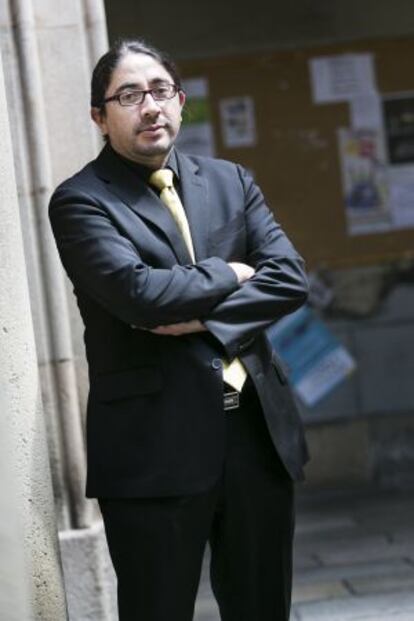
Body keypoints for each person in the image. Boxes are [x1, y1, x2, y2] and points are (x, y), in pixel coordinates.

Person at [49, 38, 309, 621]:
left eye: (161, 91)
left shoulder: (230, 181)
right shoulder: (80, 202)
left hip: (255, 438)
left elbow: (290, 277)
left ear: (182, 102)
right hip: (153, 451)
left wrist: (201, 317)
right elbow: (139, 294)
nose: (150, 107)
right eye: (129, 95)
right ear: (99, 115)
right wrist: (232, 273)